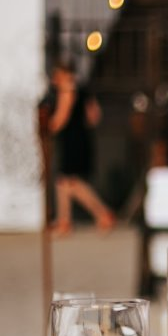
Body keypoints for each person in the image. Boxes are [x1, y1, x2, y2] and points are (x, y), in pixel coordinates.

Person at [48, 59, 115, 236]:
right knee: (65, 183)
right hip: (82, 139)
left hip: (71, 142)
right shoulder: (83, 90)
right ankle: (66, 220)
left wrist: (47, 128)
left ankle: (101, 213)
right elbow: (94, 116)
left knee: (69, 182)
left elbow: (61, 117)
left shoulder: (67, 90)